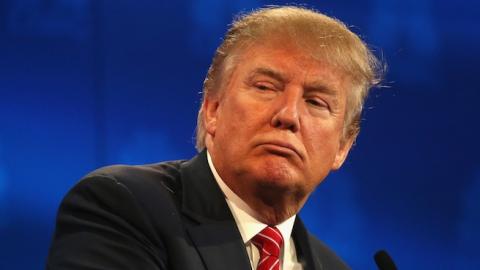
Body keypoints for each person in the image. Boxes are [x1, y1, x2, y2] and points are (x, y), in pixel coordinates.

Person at [47, 6, 381, 270]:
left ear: (342, 147)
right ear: (213, 109)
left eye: (316, 102)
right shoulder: (122, 208)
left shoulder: (334, 266)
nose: (289, 116)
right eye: (266, 87)